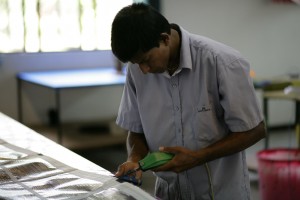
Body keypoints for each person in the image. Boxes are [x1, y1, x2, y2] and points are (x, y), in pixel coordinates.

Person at [111, 3, 266, 200]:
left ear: (164, 38)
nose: (144, 70)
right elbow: (136, 130)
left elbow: (256, 130)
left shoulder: (222, 63)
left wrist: (198, 157)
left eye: (146, 60)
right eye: (136, 63)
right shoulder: (137, 71)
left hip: (219, 194)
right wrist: (134, 159)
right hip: (168, 194)